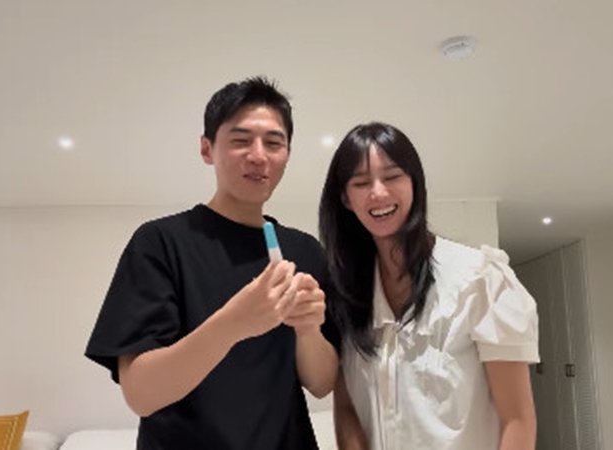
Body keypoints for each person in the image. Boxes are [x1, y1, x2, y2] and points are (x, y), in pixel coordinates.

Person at [85, 76, 340, 450]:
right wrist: (235, 322)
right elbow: (141, 394)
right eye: (240, 140)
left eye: (274, 143)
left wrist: (308, 330)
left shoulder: (304, 250)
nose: (259, 155)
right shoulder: (159, 242)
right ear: (207, 149)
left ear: (287, 153)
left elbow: (321, 383)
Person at [318, 122, 539, 450]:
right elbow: (347, 407)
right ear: (346, 199)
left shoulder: (480, 279)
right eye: (361, 183)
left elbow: (517, 419)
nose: (378, 192)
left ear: (414, 182)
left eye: (392, 176)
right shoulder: (347, 293)